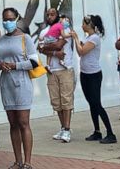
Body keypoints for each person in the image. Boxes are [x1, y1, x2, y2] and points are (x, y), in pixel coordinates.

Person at [0, 7, 38, 169]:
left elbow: (34, 62)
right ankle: (17, 161)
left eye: (10, 19)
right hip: (6, 84)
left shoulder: (25, 38)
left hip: (22, 83)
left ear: (17, 19)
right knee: (13, 123)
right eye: (5, 19)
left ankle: (27, 162)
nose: (7, 22)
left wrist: (15, 65)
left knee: (23, 122)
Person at [71, 14, 116, 144]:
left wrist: (76, 38)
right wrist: (79, 42)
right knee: (91, 103)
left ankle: (110, 133)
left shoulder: (95, 38)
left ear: (90, 25)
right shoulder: (88, 38)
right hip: (85, 73)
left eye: (84, 23)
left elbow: (82, 51)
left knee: (97, 103)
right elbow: (81, 52)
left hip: (93, 74)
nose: (82, 25)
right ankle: (97, 131)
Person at [38, 8, 74, 143]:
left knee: (66, 99)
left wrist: (49, 46)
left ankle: (67, 129)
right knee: (56, 101)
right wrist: (52, 52)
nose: (49, 16)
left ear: (57, 15)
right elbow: (40, 49)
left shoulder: (64, 29)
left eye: (52, 14)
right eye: (47, 14)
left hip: (65, 69)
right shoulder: (44, 32)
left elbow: (59, 45)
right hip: (51, 70)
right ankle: (63, 127)